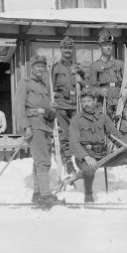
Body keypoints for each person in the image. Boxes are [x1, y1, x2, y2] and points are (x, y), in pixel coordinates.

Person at [69, 86, 127, 203]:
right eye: (84, 101)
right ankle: (88, 196)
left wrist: (126, 146)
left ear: (95, 101)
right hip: (85, 157)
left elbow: (114, 134)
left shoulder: (102, 117)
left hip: (103, 155)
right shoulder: (76, 120)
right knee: (89, 169)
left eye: (89, 101)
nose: (86, 104)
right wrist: (86, 157)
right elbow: (73, 143)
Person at [14, 55, 62, 207]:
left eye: (43, 66)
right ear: (32, 68)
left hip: (45, 126)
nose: (40, 69)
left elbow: (48, 114)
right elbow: (18, 107)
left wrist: (52, 110)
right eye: (37, 66)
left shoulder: (44, 86)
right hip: (34, 125)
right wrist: (26, 126)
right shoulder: (25, 83)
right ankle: (45, 195)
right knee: (44, 162)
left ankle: (37, 193)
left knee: (38, 162)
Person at [52, 36, 86, 175]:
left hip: (75, 105)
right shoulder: (56, 67)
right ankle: (68, 162)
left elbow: (86, 86)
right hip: (61, 105)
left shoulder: (78, 67)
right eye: (65, 48)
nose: (67, 50)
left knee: (77, 134)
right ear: (61, 49)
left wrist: (81, 81)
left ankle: (80, 160)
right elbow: (51, 87)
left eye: (70, 48)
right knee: (64, 135)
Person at [89, 31, 127, 134]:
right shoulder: (95, 66)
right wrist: (99, 91)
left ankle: (124, 149)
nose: (108, 47)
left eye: (110, 44)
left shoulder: (119, 64)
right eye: (105, 45)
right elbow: (92, 87)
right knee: (104, 129)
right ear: (100, 47)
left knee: (124, 128)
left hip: (120, 101)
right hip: (104, 102)